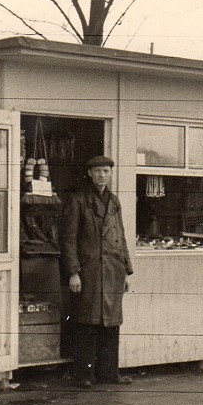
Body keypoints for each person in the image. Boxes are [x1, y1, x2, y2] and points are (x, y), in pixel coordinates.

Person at [60, 155, 134, 388]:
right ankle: (84, 375)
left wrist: (126, 270)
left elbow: (121, 237)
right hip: (89, 270)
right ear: (90, 174)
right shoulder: (78, 201)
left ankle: (109, 373)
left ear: (110, 174)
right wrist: (73, 272)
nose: (102, 175)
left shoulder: (114, 202)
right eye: (98, 171)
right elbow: (68, 239)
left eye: (106, 171)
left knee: (111, 323)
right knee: (87, 322)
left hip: (113, 270)